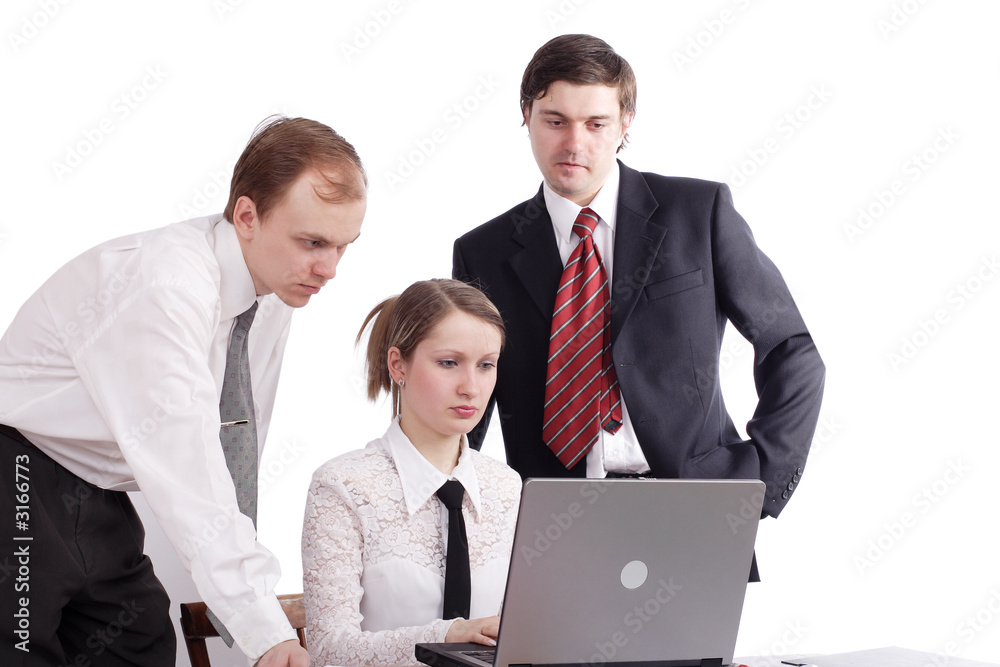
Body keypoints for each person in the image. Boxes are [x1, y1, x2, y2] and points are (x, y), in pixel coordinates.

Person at [0, 116, 367, 666]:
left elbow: (237, 440)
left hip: (98, 492)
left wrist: (249, 597)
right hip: (20, 474)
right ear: (247, 216)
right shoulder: (166, 287)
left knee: (142, 645)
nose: (329, 268)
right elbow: (190, 465)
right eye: (313, 242)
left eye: (343, 246)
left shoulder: (274, 289)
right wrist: (268, 634)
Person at [453, 35, 825, 532]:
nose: (574, 143)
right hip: (553, 521)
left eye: (596, 124)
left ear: (625, 123)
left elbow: (790, 348)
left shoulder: (699, 214)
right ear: (527, 115)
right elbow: (466, 403)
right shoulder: (484, 252)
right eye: (555, 121)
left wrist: (755, 481)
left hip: (698, 508)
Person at [302, 279, 521, 667]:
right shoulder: (342, 486)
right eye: (448, 363)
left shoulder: (507, 486)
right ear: (397, 364)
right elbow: (329, 650)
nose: (471, 387)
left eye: (486, 365)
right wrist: (444, 636)